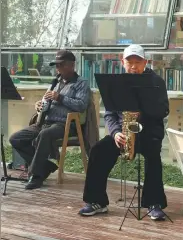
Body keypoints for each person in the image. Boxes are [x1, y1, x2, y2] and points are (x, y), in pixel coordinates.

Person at [79, 44, 169, 221]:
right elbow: (110, 114)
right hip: (122, 132)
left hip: (149, 131)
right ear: (122, 62)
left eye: (138, 62)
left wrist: (144, 112)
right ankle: (96, 201)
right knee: (98, 150)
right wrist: (115, 133)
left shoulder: (156, 82)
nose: (134, 66)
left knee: (153, 155)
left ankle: (154, 203)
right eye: (130, 62)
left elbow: (164, 110)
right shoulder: (114, 83)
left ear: (146, 62)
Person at [9, 50, 90, 190]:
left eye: (60, 65)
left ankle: (36, 175)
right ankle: (45, 167)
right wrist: (39, 105)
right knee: (16, 138)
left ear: (71, 65)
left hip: (65, 124)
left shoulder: (81, 83)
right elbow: (45, 100)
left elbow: (81, 105)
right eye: (56, 65)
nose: (57, 68)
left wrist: (60, 97)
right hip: (45, 122)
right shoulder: (55, 82)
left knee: (44, 135)